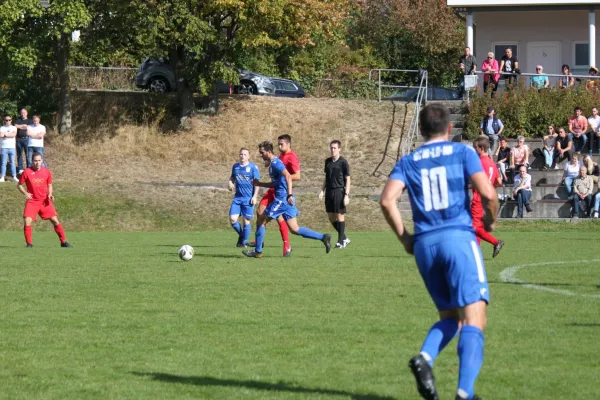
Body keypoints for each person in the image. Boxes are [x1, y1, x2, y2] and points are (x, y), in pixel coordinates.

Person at [380, 103, 498, 400]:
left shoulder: (409, 161)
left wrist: (406, 239)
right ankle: (465, 393)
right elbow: (488, 193)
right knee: (474, 319)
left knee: (450, 317)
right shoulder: (462, 153)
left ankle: (425, 358)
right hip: (457, 239)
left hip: (425, 246)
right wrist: (491, 220)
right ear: (449, 129)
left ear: (421, 131)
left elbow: (387, 200)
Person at [243, 141, 331, 258]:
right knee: (294, 228)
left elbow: (288, 176)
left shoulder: (275, 163)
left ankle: (258, 251)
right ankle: (323, 237)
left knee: (261, 221)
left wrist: (289, 195)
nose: (261, 155)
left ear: (269, 152)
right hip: (286, 199)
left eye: (262, 152)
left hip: (282, 199)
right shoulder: (272, 165)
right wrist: (260, 183)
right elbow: (276, 184)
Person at [249, 134, 300, 256]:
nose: (279, 146)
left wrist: (283, 181)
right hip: (273, 189)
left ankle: (286, 244)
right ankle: (259, 241)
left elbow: (297, 176)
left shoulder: (292, 157)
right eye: (278, 144)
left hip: (281, 190)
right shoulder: (280, 156)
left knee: (279, 216)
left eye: (281, 144)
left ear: (288, 144)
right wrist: (268, 163)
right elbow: (274, 164)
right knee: (260, 212)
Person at [18, 152, 71, 248]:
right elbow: (19, 185)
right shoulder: (27, 172)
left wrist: (50, 194)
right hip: (32, 201)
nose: (37, 163)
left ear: (42, 161)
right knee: (27, 221)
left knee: (55, 220)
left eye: (39, 160)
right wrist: (26, 193)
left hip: (44, 201)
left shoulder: (46, 172)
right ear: (32, 161)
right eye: (35, 161)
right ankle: (29, 244)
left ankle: (63, 242)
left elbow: (50, 184)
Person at [472, 137, 504, 258]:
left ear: (482, 148)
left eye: (476, 147)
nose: (475, 150)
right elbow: (499, 181)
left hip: (479, 198)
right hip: (487, 198)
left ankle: (496, 242)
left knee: (474, 227)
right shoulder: (491, 163)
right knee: (478, 226)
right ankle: (475, 252)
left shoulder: (479, 162)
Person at [319, 140, 351, 249]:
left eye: (335, 148)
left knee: (339, 215)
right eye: (331, 148)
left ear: (339, 149)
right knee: (330, 216)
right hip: (329, 191)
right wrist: (322, 191)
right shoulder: (327, 161)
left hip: (339, 191)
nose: (332, 150)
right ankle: (345, 238)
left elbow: (348, 179)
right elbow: (326, 178)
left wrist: (346, 194)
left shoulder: (343, 162)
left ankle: (340, 241)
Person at [228, 147, 260, 247]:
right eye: (241, 154)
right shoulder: (235, 167)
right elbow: (232, 177)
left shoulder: (253, 167)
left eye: (245, 154)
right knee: (233, 219)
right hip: (237, 198)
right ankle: (242, 237)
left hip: (248, 198)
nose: (242, 156)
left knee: (246, 221)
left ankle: (243, 242)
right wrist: (230, 183)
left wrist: (254, 196)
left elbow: (257, 183)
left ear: (248, 156)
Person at [0, 115, 19, 182]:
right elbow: (0, 135)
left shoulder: (14, 128)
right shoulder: (1, 128)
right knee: (3, 163)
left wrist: (5, 134)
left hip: (12, 147)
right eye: (6, 120)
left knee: (12, 162)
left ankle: (14, 176)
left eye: (9, 120)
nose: (8, 121)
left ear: (11, 120)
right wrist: (8, 134)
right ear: (4, 121)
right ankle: (2, 177)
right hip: (4, 147)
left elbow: (13, 135)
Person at [15, 108, 32, 173]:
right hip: (18, 139)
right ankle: (20, 169)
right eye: (21, 113)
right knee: (19, 154)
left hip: (27, 139)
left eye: (24, 113)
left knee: (28, 154)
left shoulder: (30, 121)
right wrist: (23, 126)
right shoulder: (18, 120)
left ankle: (28, 168)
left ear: (27, 113)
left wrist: (21, 126)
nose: (22, 114)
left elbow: (29, 127)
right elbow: (16, 126)